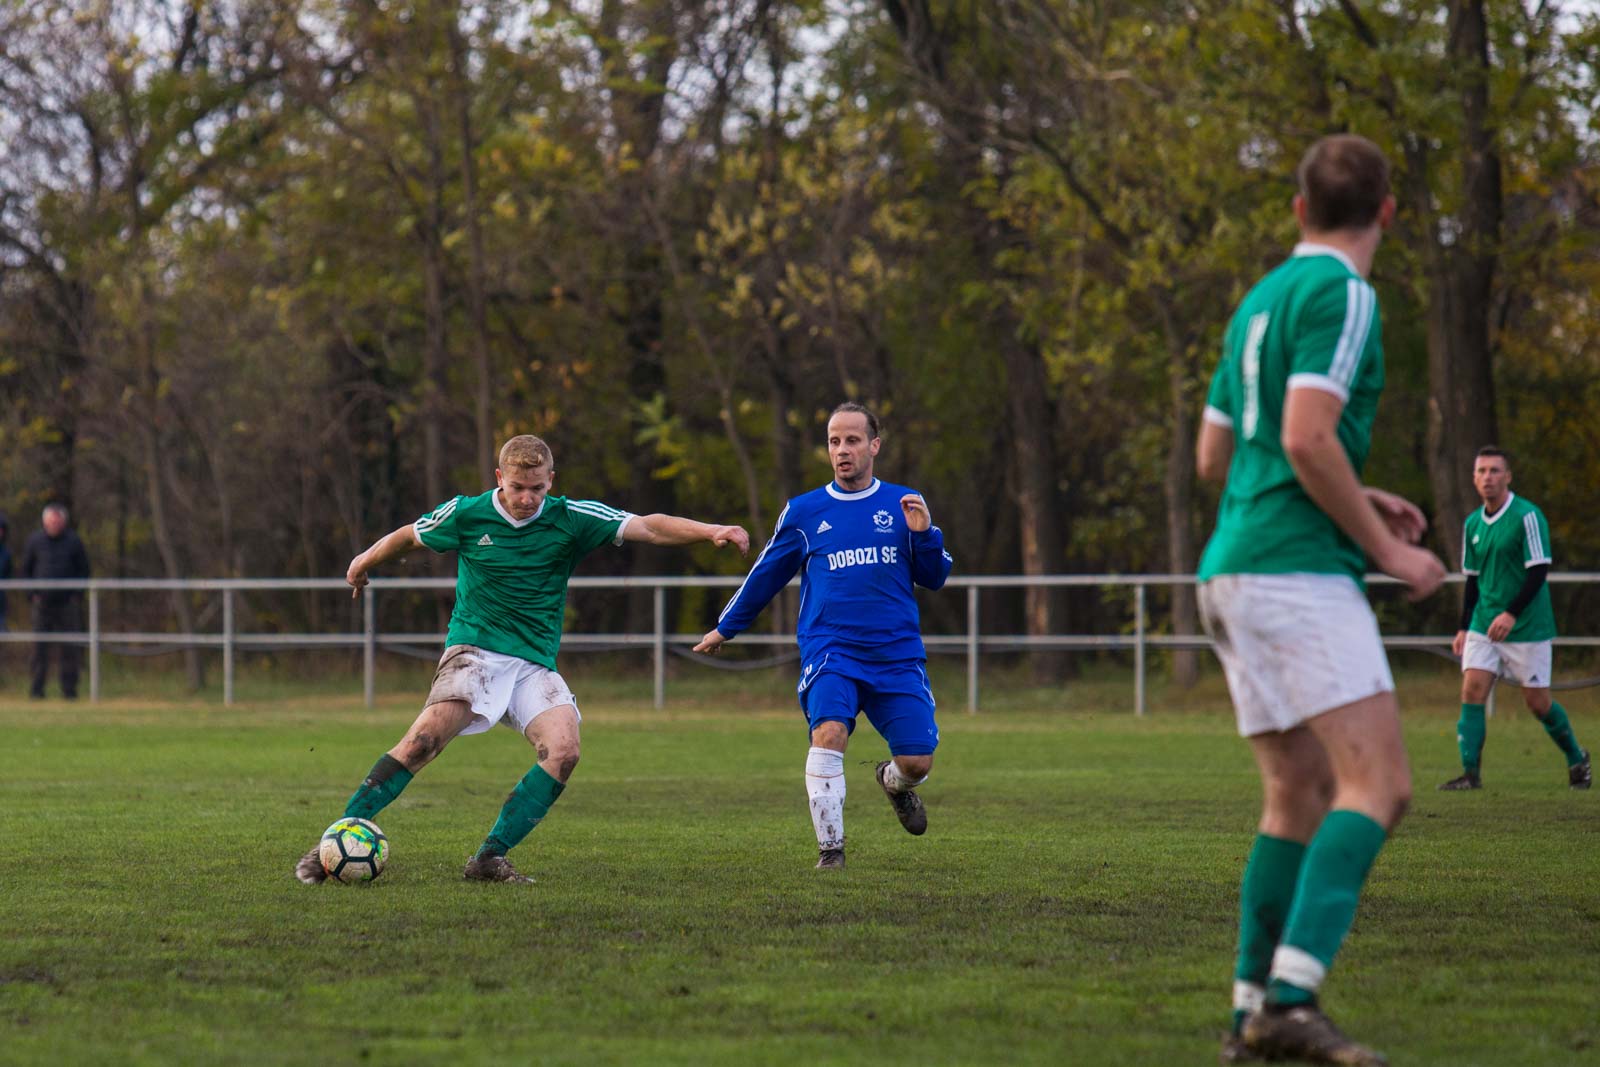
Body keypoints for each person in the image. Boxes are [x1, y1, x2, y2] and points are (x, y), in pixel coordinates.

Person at [1194, 134, 1447, 1066]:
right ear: (1386, 213)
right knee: (1379, 783)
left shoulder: (1256, 302)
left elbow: (1216, 460)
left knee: (1293, 790)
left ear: (1298, 209)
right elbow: (1306, 436)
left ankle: (1248, 1014)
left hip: (1230, 565)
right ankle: (1294, 997)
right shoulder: (1344, 292)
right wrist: (1385, 547)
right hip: (1292, 570)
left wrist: (1352, 492)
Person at [295, 435, 749, 885]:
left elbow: (648, 526)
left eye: (537, 488)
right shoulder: (467, 514)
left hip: (532, 663)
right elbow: (409, 536)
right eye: (517, 488)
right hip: (473, 650)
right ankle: (333, 840)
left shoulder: (572, 517)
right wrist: (363, 562)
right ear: (500, 479)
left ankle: (489, 859)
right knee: (422, 743)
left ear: (551, 481)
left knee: (565, 750)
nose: (528, 498)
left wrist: (711, 531)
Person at [693, 402, 953, 870]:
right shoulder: (805, 511)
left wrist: (925, 534)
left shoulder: (903, 503)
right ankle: (831, 850)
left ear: (874, 445)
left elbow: (934, 577)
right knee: (828, 732)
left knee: (918, 762)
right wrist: (724, 628)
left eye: (852, 440)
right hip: (831, 649)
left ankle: (892, 782)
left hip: (895, 654)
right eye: (834, 441)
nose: (842, 450)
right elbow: (765, 575)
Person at [1440, 447, 1590, 791]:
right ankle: (1470, 775)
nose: (1487, 478)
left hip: (1527, 626)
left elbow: (1538, 571)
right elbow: (1472, 578)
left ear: (1508, 476)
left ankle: (1576, 758)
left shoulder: (1528, 516)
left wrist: (1511, 613)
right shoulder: (1473, 523)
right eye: (1481, 471)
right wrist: (1464, 626)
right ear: (1474, 478)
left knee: (1537, 704)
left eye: (1494, 471)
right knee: (1472, 689)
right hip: (1483, 623)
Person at [19, 503, 91, 700]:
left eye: (57, 521)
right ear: (44, 522)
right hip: (41, 603)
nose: (54, 525)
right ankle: (36, 690)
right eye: (51, 521)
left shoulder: (74, 541)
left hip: (67, 603)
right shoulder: (35, 541)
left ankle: (69, 691)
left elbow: (84, 570)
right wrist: (31, 593)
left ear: (63, 522)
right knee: (39, 649)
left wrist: (77, 593)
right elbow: (25, 570)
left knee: (70, 648)